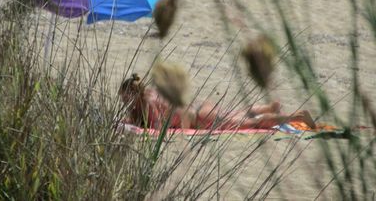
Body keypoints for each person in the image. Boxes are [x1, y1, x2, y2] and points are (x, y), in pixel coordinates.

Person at [119, 74, 316, 130]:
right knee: (235, 114)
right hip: (200, 106)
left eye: (124, 98)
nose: (123, 102)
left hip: (202, 118)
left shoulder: (149, 104)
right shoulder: (148, 92)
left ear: (133, 94)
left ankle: (296, 116)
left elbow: (155, 128)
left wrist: (132, 125)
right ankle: (267, 107)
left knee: (249, 124)